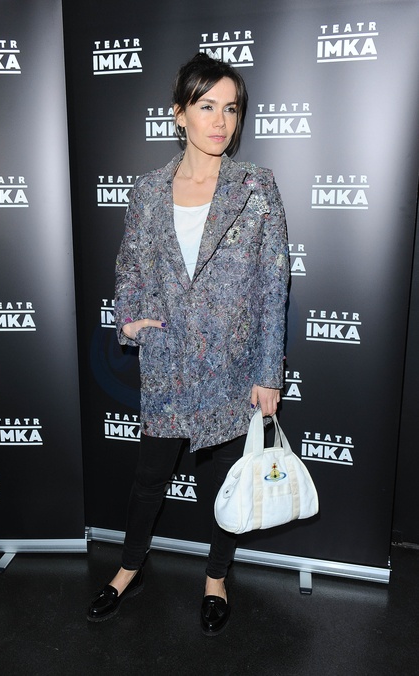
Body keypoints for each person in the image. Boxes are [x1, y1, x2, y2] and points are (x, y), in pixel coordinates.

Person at [87, 53, 290, 635]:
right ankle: (129, 568)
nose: (220, 121)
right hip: (169, 362)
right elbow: (129, 265)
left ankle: (216, 578)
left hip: (232, 365)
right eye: (206, 106)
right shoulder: (148, 190)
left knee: (224, 481)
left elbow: (274, 283)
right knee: (149, 477)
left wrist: (268, 372)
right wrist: (130, 320)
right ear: (179, 113)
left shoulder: (256, 186)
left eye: (231, 108)